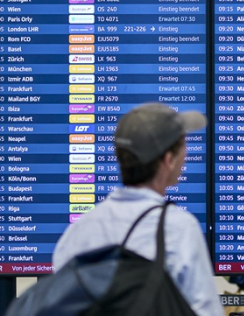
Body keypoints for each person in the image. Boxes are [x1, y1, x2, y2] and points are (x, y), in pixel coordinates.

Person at [53, 103, 224, 316]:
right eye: (183, 147)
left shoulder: (79, 231)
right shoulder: (178, 229)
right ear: (169, 160)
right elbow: (205, 310)